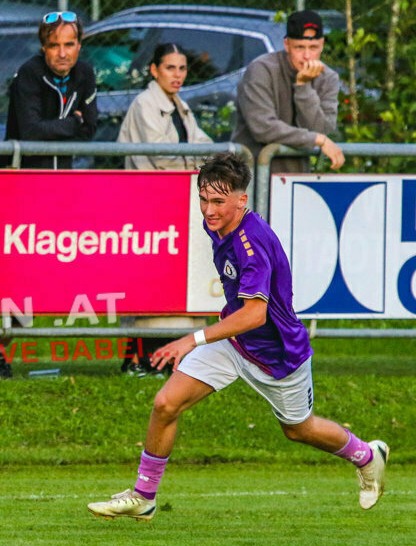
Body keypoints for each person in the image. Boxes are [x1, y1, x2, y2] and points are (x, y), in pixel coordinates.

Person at [87, 152, 388, 522]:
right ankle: (143, 496)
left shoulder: (252, 244)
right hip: (232, 344)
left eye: (218, 201)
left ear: (241, 200)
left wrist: (191, 339)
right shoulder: (216, 226)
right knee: (166, 403)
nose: (208, 209)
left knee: (298, 429)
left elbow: (255, 313)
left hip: (278, 355)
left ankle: (368, 456)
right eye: (203, 198)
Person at [117, 43, 212, 376]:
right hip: (148, 203)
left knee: (173, 285)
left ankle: (171, 358)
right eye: (170, 68)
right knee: (148, 285)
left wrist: (197, 159)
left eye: (182, 68)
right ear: (154, 70)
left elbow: (203, 146)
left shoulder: (180, 105)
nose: (178, 75)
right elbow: (165, 156)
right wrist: (197, 160)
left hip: (175, 201)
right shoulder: (145, 103)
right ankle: (138, 357)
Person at [232, 10, 345, 174]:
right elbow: (263, 128)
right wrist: (316, 139)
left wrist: (303, 87)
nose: (306, 56)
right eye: (299, 47)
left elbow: (322, 129)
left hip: (295, 177)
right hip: (250, 175)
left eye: (313, 47)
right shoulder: (261, 69)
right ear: (287, 44)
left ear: (322, 44)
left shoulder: (328, 77)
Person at [5, 10, 98, 169]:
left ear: (79, 46)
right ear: (43, 48)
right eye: (54, 46)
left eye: (69, 45)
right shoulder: (30, 72)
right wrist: (74, 122)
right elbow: (31, 132)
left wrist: (49, 129)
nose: (62, 54)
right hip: (26, 172)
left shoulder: (86, 73)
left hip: (68, 169)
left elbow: (89, 129)